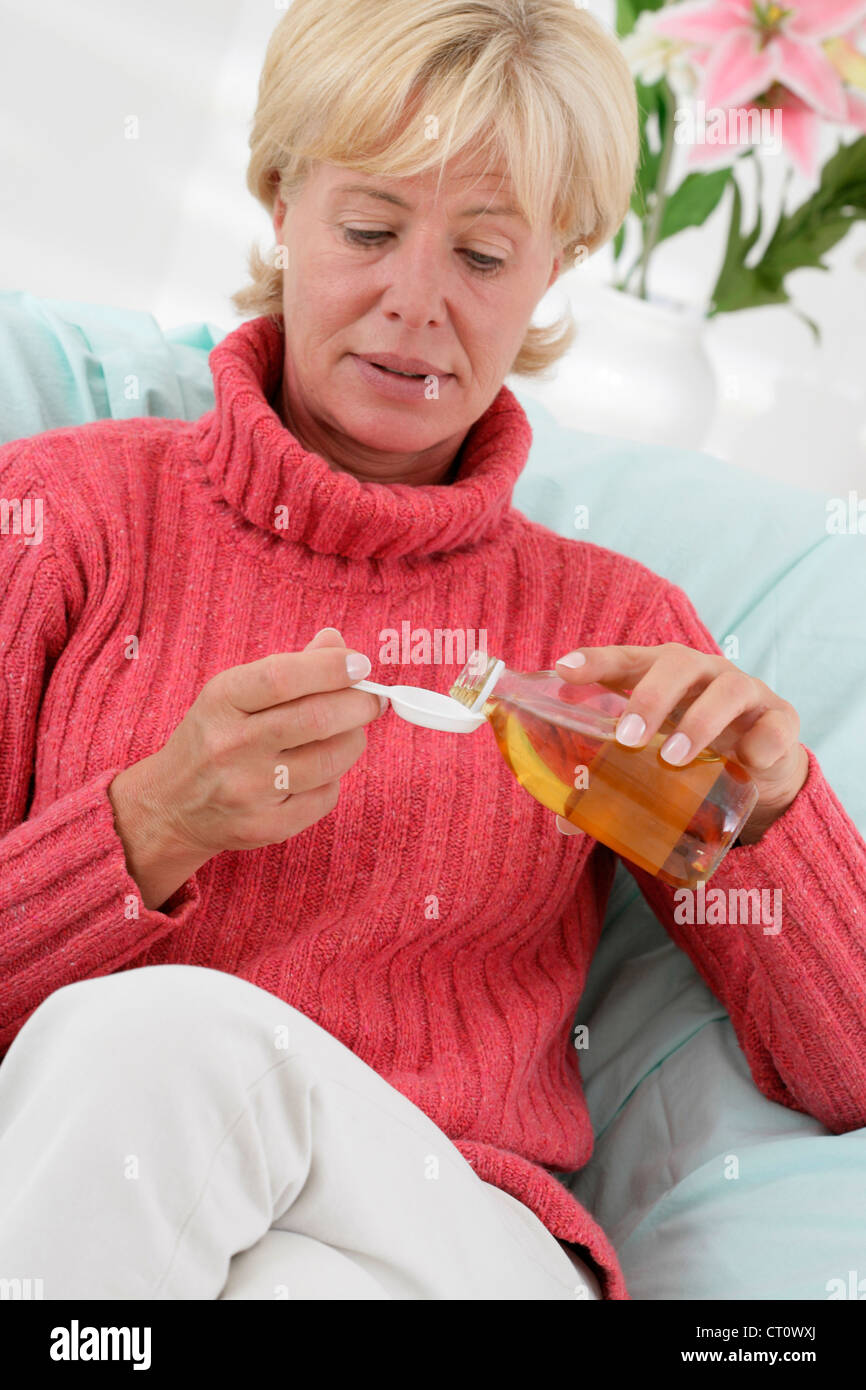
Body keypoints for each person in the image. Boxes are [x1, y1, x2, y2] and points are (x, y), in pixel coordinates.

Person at [1, 0, 864, 1303]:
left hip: (454, 1236)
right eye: (366, 230)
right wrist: (145, 825)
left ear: (554, 269)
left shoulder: (611, 637)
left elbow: (845, 1070)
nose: (414, 303)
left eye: (481, 254)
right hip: (137, 1203)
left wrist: (774, 810)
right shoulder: (61, 522)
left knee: (156, 1041)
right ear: (277, 200)